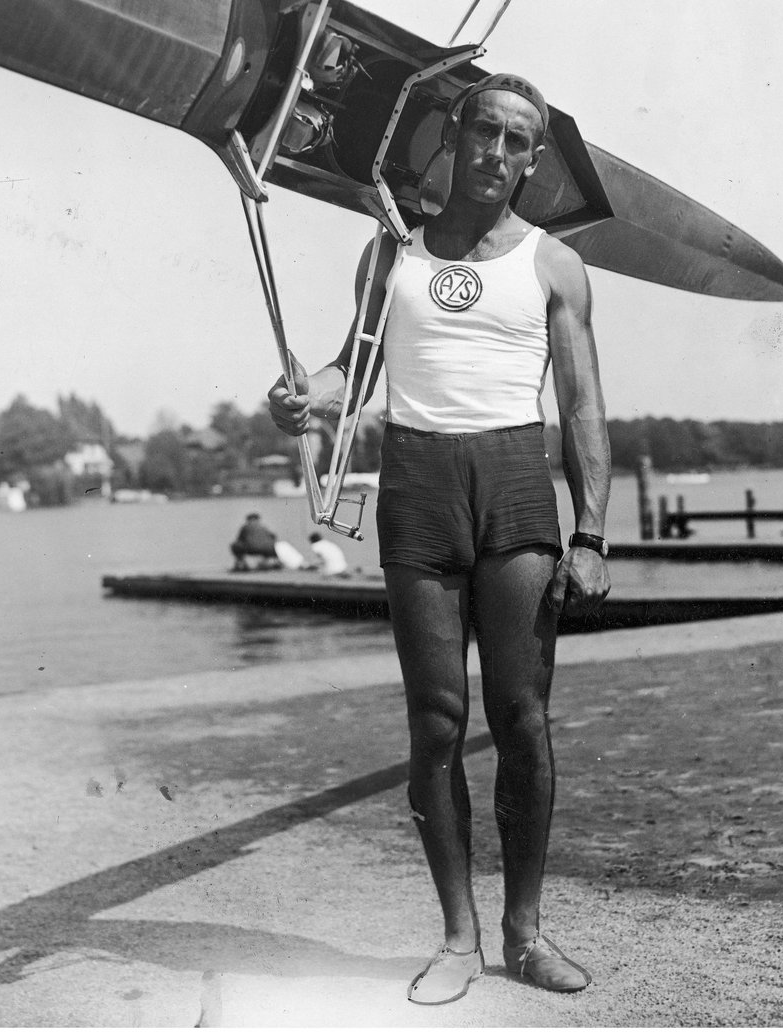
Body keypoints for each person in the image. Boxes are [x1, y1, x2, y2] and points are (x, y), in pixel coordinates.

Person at [268, 74, 611, 1005]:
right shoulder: (392, 252)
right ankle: (458, 937)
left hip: (512, 487)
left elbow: (580, 407)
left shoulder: (553, 265)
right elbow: (356, 367)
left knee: (523, 718)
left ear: (532, 161)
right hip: (417, 489)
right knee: (435, 722)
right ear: (453, 140)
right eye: (483, 134)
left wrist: (592, 532)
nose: (495, 154)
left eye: (515, 142)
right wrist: (311, 396)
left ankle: (525, 933)